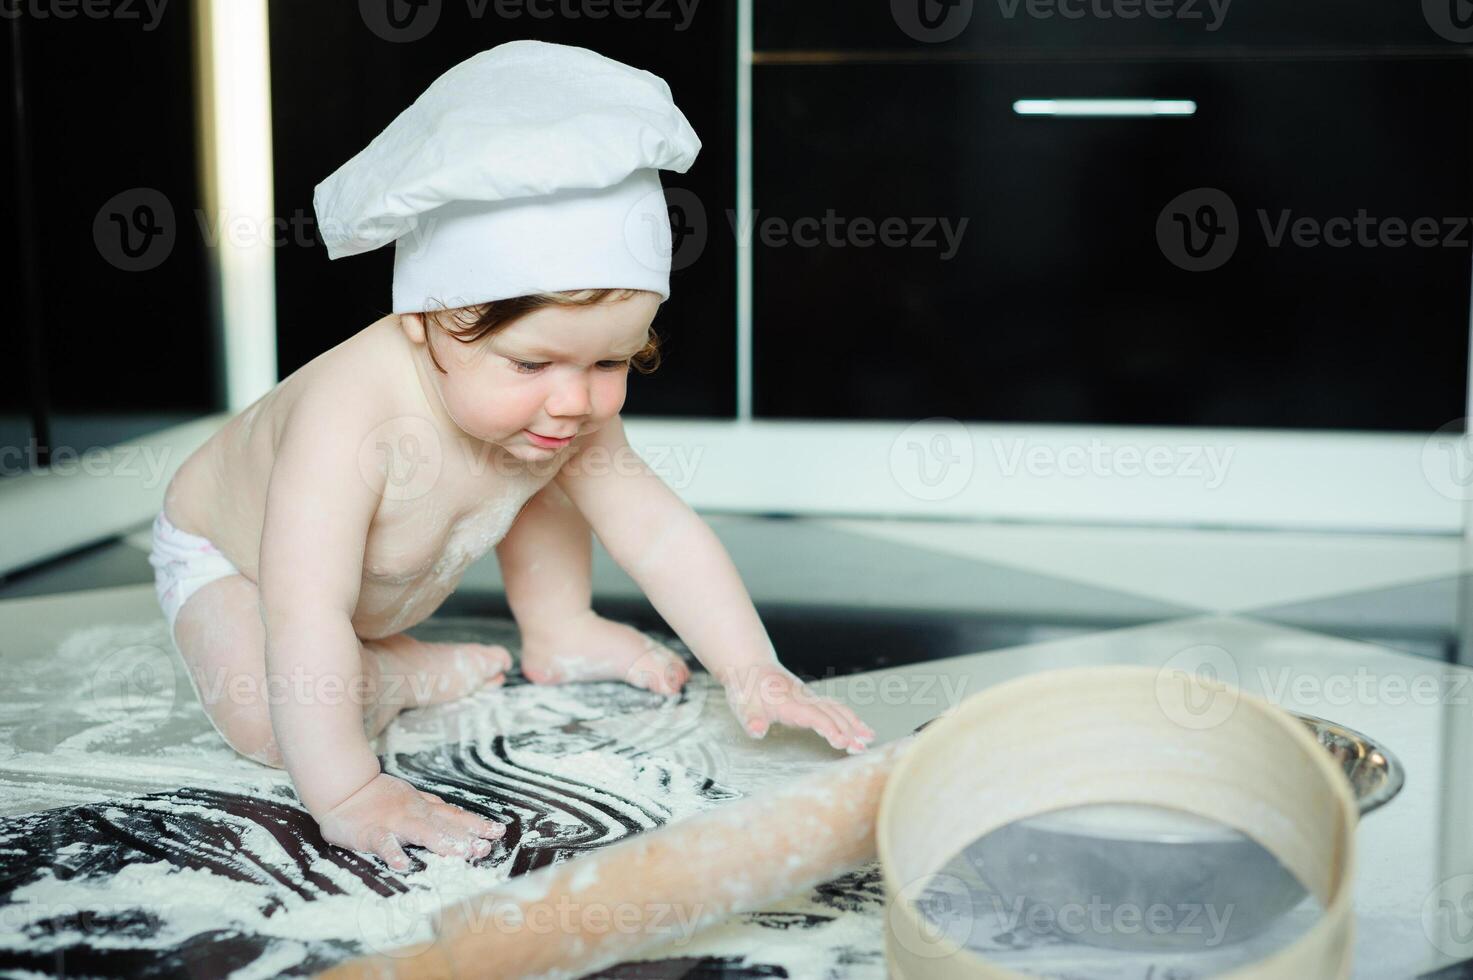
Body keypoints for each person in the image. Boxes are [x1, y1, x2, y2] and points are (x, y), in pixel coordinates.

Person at [148, 39, 873, 874]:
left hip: (391, 567)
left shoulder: (549, 407)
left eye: (611, 362)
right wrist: (349, 791)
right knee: (268, 720)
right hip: (240, 566)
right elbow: (303, 610)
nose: (574, 396)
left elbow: (659, 533)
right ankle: (398, 674)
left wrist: (753, 668)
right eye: (532, 363)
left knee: (556, 454)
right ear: (425, 319)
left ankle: (559, 627)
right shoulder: (346, 418)